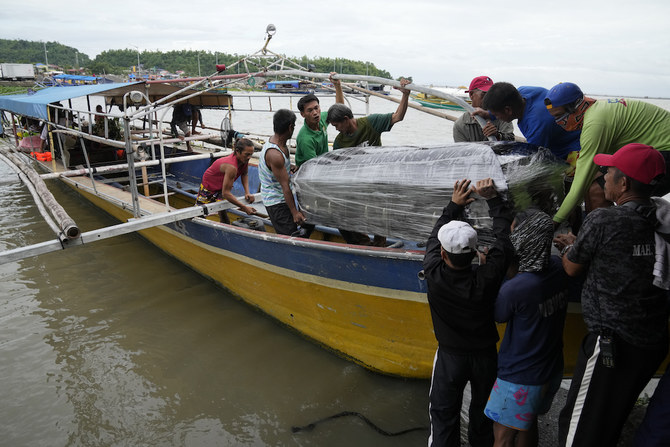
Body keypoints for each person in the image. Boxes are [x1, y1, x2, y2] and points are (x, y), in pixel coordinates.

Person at [552, 143, 669, 447]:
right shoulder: (659, 217)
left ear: (624, 183)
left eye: (607, 172)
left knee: (579, 427)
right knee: (611, 421)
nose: (602, 177)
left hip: (611, 347)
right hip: (650, 340)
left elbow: (572, 268)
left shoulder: (604, 219)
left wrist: (568, 247)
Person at [423, 177, 515, 447]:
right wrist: (494, 200)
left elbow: (433, 234)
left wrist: (454, 204)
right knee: (483, 412)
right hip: (485, 355)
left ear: (442, 253)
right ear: (476, 253)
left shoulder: (433, 271)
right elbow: (504, 241)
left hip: (450, 356)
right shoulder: (487, 277)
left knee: (442, 413)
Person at [484, 209, 569, 447]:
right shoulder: (559, 267)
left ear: (524, 239)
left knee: (502, 436)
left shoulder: (516, 288)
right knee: (526, 424)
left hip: (520, 376)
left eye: (514, 234)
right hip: (550, 366)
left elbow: (499, 315)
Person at [544, 82, 670, 225]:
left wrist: (557, 220)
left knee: (598, 190)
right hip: (648, 150)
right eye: (554, 117)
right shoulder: (596, 109)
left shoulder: (595, 123)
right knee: (596, 179)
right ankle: (600, 233)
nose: (558, 122)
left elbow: (581, 180)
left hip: (664, 152)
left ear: (576, 108)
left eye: (560, 115)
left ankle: (606, 239)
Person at [326, 77, 411, 246]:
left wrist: (405, 95)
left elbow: (397, 117)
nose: (336, 129)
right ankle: (364, 243)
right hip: (355, 184)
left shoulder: (370, 123)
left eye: (337, 125)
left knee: (380, 217)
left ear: (346, 119)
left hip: (377, 181)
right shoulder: (339, 142)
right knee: (344, 219)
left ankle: (380, 246)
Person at [479, 82, 581, 165]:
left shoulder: (537, 126)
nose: (497, 118)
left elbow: (531, 159)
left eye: (496, 115)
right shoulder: (522, 92)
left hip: (574, 149)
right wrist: (488, 114)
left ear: (508, 110)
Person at [259, 109, 309, 236]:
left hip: (281, 196)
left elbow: (277, 168)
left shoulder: (278, 142)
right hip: (275, 201)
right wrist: (294, 212)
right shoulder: (275, 154)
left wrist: (288, 166)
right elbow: (285, 186)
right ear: (290, 127)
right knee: (290, 236)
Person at [195, 138, 257, 223]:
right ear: (237, 151)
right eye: (247, 154)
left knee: (223, 209)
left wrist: (247, 192)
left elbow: (244, 174)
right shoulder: (231, 167)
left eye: (251, 155)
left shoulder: (244, 160)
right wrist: (244, 207)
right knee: (200, 212)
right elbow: (226, 193)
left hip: (222, 185)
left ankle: (226, 227)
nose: (249, 157)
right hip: (209, 186)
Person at [295, 73, 344, 168]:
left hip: (323, 160)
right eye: (310, 110)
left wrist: (337, 85)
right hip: (307, 170)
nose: (315, 113)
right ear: (302, 114)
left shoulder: (321, 119)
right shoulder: (305, 139)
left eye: (316, 108)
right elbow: (315, 166)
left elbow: (339, 108)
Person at [453, 76, 515, 143]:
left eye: (492, 95)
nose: (489, 99)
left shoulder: (502, 116)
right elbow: (462, 151)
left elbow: (511, 143)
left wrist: (498, 136)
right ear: (471, 95)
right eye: (484, 95)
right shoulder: (460, 125)